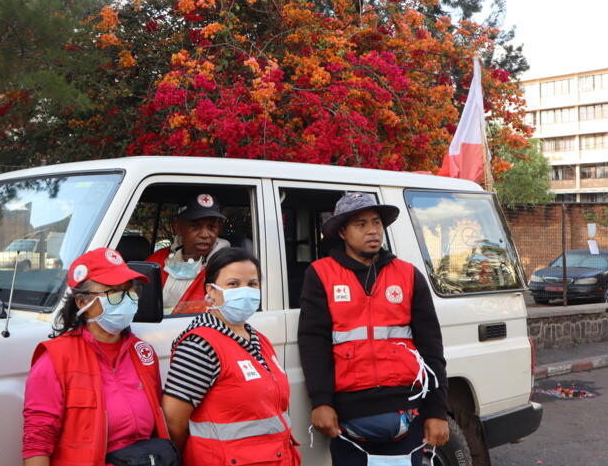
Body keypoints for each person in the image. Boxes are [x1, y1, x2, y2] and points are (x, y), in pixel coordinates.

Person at [299, 192, 448, 466]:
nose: (372, 231)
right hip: (348, 413)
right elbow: (313, 344)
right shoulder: (320, 274)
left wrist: (437, 412)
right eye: (361, 224)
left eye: (376, 223)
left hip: (407, 408)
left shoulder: (408, 274)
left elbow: (432, 348)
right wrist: (321, 402)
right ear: (342, 232)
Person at [23, 247, 174, 466]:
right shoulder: (56, 358)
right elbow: (37, 440)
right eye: (114, 292)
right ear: (83, 302)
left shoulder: (143, 352)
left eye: (130, 291)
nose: (127, 299)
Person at [163, 248, 300, 465]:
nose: (245, 291)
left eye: (252, 284)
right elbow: (173, 420)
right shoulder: (199, 345)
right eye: (233, 284)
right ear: (211, 291)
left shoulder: (258, 339)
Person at [146, 193, 231, 315]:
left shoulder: (226, 268)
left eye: (212, 227)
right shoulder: (158, 260)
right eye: (195, 226)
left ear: (220, 228)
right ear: (178, 228)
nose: (205, 234)